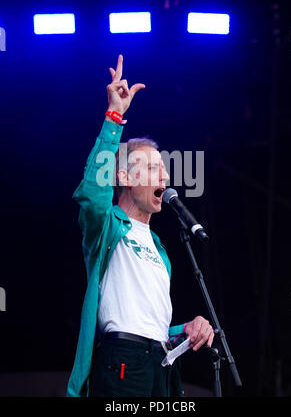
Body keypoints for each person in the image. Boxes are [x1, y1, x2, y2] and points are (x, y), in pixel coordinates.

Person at [66, 54, 214, 397]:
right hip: (121, 362)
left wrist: (186, 329)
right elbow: (91, 191)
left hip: (160, 366)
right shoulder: (107, 225)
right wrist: (114, 116)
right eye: (151, 168)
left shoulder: (159, 249)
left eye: (163, 168)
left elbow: (149, 326)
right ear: (124, 177)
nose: (164, 175)